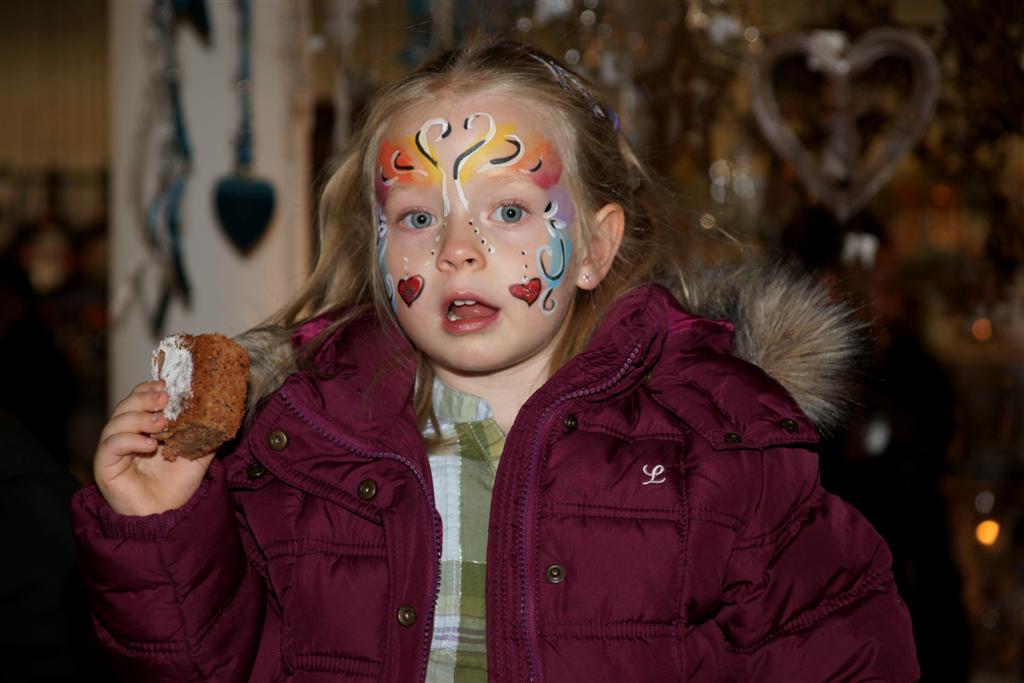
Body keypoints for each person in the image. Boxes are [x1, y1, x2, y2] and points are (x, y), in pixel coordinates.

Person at [72, 41, 919, 682]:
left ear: (595, 248)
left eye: (510, 210)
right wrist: (161, 527)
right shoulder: (297, 449)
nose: (457, 250)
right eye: (416, 218)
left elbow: (842, 650)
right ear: (375, 246)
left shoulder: (718, 444)